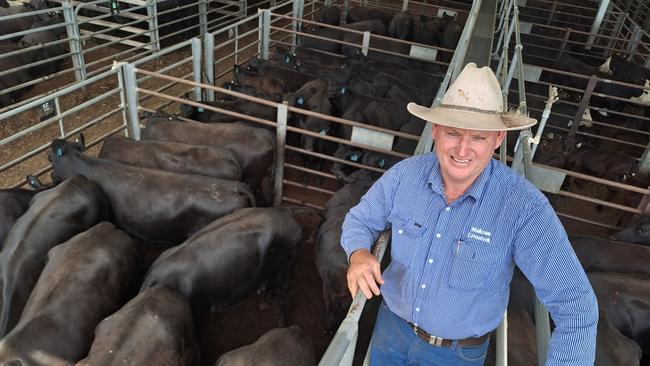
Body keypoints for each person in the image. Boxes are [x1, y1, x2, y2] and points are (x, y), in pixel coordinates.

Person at [340, 63, 598, 365]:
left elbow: (577, 306)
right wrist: (358, 254)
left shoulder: (524, 208)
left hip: (457, 354)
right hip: (391, 330)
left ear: (498, 139)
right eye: (453, 133)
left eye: (478, 138)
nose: (463, 150)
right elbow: (359, 219)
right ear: (435, 131)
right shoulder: (404, 177)